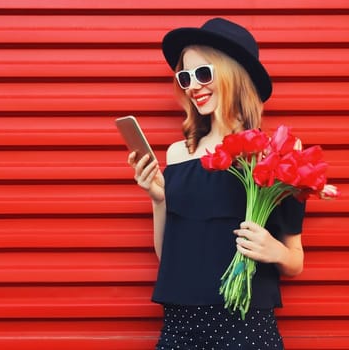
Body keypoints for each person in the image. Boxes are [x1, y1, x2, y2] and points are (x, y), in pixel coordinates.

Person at [127, 17, 306, 350]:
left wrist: (273, 250)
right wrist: (157, 199)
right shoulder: (179, 154)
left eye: (203, 73)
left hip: (246, 327)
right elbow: (168, 256)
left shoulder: (277, 153)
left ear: (234, 74)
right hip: (179, 327)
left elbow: (296, 260)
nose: (193, 86)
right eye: (185, 77)